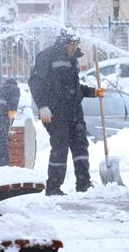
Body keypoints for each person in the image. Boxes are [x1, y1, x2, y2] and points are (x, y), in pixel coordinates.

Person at [28, 29, 105, 196]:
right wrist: (42, 106)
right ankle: (54, 188)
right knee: (60, 147)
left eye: (76, 44)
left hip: (74, 111)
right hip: (54, 111)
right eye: (71, 44)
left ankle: (83, 184)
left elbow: (73, 88)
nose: (73, 47)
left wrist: (93, 92)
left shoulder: (73, 60)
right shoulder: (47, 56)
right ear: (63, 42)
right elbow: (34, 82)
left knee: (80, 146)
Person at [0, 78, 20, 166]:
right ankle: (3, 165)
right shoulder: (14, 89)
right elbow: (13, 109)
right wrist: (10, 123)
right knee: (2, 142)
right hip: (0, 120)